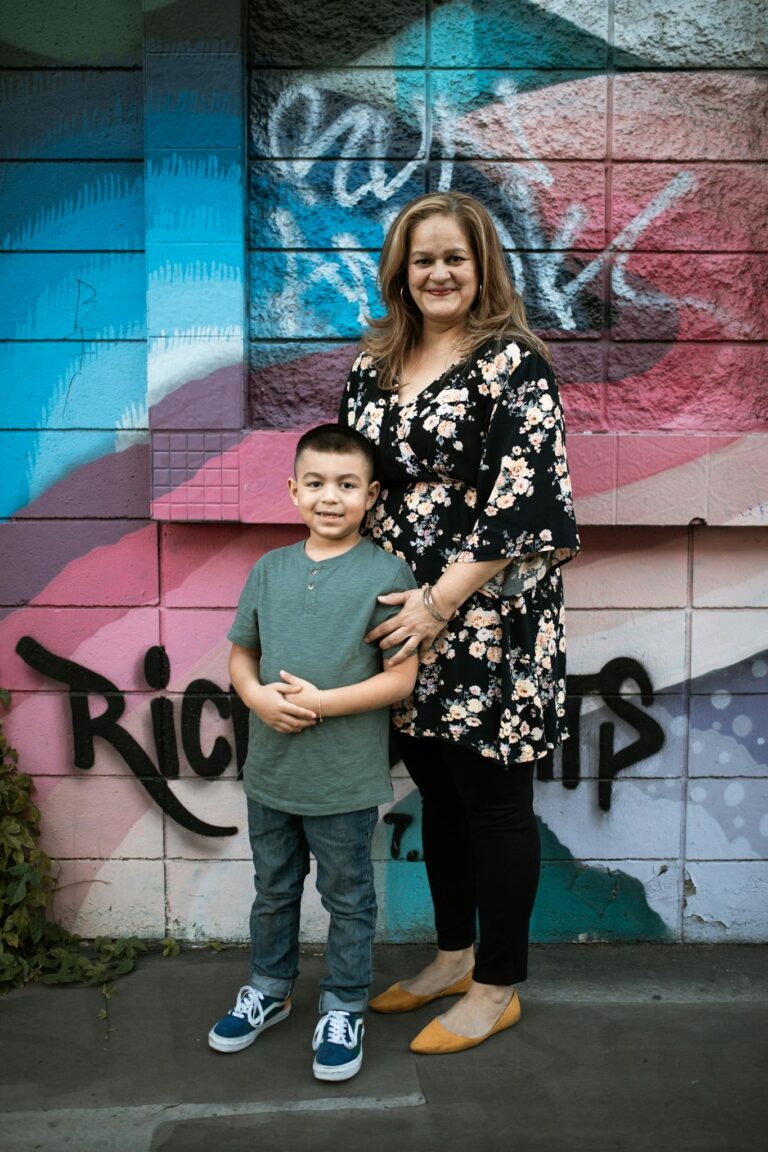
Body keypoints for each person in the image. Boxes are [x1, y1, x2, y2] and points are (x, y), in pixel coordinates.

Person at [339, 191, 580, 1055]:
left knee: (493, 803)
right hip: (400, 614)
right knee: (436, 792)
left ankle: (499, 985)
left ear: (483, 269)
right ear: (400, 271)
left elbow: (531, 506)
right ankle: (451, 955)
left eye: (455, 258)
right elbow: (350, 484)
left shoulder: (513, 363)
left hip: (488, 616)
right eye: (423, 258)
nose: (438, 273)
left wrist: (442, 603)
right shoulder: (372, 365)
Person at [208, 424, 418, 1081]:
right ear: (294, 491)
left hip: (344, 782)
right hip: (271, 774)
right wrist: (256, 699)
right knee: (273, 891)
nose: (332, 497)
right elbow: (242, 652)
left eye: (348, 485)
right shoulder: (269, 569)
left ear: (371, 494)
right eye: (318, 484)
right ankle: (269, 990)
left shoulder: (387, 573)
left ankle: (344, 1004)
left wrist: (321, 703)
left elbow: (400, 680)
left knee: (348, 897)